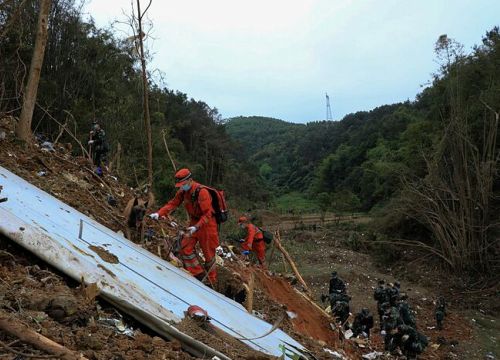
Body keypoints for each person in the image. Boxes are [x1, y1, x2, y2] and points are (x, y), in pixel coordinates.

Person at [149, 168, 219, 285]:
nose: (182, 187)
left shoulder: (202, 192)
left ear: (190, 180)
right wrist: (159, 213)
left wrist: (197, 227)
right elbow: (173, 203)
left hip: (207, 225)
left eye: (183, 184)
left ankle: (211, 282)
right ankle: (198, 275)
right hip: (194, 222)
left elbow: (207, 214)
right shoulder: (182, 192)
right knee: (185, 247)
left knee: (208, 254)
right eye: (180, 185)